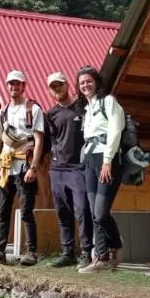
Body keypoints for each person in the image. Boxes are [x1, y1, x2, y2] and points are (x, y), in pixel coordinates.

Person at [0, 70, 44, 266]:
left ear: (23, 86)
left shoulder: (33, 109)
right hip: (5, 166)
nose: (14, 87)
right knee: (3, 209)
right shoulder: (1, 113)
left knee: (26, 209)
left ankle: (31, 252)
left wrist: (33, 168)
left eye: (18, 83)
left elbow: (38, 140)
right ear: (7, 86)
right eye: (11, 83)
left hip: (24, 165)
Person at [76, 65, 125, 273]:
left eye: (88, 81)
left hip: (108, 159)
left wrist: (107, 160)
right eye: (81, 83)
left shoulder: (109, 101)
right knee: (93, 211)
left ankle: (114, 246)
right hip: (90, 159)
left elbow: (115, 130)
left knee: (100, 212)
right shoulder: (87, 108)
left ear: (96, 82)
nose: (85, 85)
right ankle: (103, 257)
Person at [45, 71, 93, 268]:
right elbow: (48, 142)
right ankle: (67, 252)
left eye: (60, 85)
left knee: (82, 210)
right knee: (62, 212)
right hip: (57, 169)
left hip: (79, 168)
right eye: (53, 87)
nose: (57, 89)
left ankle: (87, 252)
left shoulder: (83, 107)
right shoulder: (51, 114)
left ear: (67, 85)